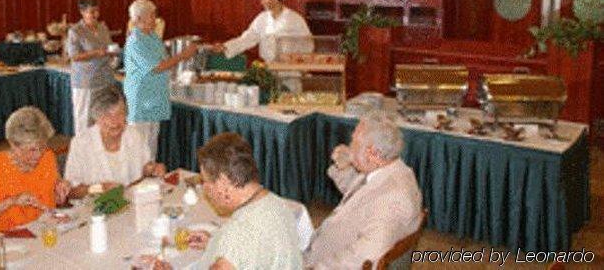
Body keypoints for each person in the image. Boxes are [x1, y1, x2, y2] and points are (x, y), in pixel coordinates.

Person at [304, 113, 422, 269]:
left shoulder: (394, 199)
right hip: (324, 248)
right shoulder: (394, 170)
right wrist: (344, 166)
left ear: (373, 153)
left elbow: (365, 257)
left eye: (354, 142)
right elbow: (358, 196)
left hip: (324, 262)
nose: (349, 147)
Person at [178, 133, 302, 269]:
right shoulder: (277, 204)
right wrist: (215, 243)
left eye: (204, 181)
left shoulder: (238, 233)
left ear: (223, 183)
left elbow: (242, 240)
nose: (204, 188)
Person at [0, 107, 71, 240]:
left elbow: (54, 201)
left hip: (38, 237)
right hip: (0, 243)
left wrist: (60, 191)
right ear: (13, 145)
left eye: (42, 147)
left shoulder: (48, 157)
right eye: (31, 150)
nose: (38, 155)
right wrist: (11, 201)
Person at [124, 0, 198, 158]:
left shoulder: (152, 37)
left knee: (151, 147)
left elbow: (164, 60)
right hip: (142, 99)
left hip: (155, 97)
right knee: (139, 149)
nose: (155, 20)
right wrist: (183, 56)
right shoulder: (135, 41)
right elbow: (157, 67)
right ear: (138, 19)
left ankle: (149, 179)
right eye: (151, 16)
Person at [64, 85, 166, 197]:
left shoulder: (134, 136)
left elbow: (145, 175)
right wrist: (99, 188)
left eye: (120, 113)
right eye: (108, 115)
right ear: (97, 117)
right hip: (94, 208)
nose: (115, 121)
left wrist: (153, 171)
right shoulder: (81, 143)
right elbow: (71, 191)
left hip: (131, 204)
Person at [211, 0, 312, 64]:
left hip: (290, 71)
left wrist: (300, 64)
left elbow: (308, 45)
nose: (262, 2)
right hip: (268, 67)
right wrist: (226, 47)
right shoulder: (262, 18)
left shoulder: (295, 19)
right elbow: (248, 38)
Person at [67, 0, 117, 134]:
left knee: (102, 118)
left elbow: (108, 47)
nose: (95, 15)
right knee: (84, 120)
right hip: (86, 82)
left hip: (105, 79)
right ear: (82, 12)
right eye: (91, 12)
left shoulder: (103, 27)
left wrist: (112, 53)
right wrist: (96, 53)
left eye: (97, 11)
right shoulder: (75, 31)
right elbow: (74, 56)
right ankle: (82, 152)